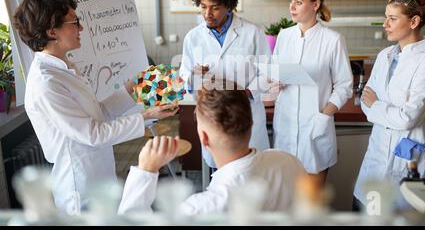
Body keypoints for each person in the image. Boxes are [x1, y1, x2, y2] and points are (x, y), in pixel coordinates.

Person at [13, 0, 178, 214]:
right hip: (79, 185)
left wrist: (134, 87)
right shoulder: (46, 82)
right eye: (74, 22)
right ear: (52, 32)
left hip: (98, 172)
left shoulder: (65, 67)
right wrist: (145, 117)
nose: (81, 28)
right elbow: (92, 134)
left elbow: (98, 113)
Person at [118, 80, 305, 215]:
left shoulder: (202, 209)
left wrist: (146, 170)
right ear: (251, 122)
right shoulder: (287, 161)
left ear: (203, 138)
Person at [353, 0, 425, 210]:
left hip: (408, 158)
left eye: (392, 18)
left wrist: (376, 105)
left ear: (414, 21)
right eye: (386, 17)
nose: (385, 24)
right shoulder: (385, 56)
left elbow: (407, 119)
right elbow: (365, 101)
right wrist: (380, 107)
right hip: (377, 154)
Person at [179, 0, 271, 168]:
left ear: (228, 6)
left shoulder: (252, 33)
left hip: (247, 113)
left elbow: (268, 73)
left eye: (215, 7)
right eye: (203, 7)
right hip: (212, 116)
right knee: (219, 175)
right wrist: (194, 76)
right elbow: (184, 74)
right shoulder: (193, 37)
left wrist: (246, 93)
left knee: (251, 173)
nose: (207, 14)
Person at [270, 0, 353, 186]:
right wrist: (275, 82)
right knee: (284, 200)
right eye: (291, 1)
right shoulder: (284, 36)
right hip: (286, 125)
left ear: (315, 5)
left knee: (310, 204)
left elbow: (344, 85)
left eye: (298, 2)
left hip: (315, 126)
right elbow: (274, 73)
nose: (292, 7)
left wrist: (324, 116)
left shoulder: (332, 40)